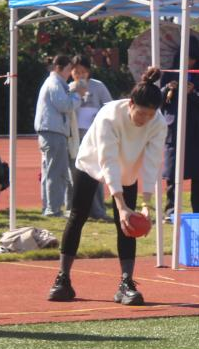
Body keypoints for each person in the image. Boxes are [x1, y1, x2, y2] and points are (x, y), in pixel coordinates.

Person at [47, 68, 167, 307]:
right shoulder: (109, 116)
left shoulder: (158, 123)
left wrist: (146, 204)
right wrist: (120, 205)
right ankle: (62, 279)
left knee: (127, 224)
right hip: (92, 161)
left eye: (150, 114)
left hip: (127, 168)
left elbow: (152, 163)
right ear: (131, 104)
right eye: (141, 113)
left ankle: (126, 283)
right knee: (78, 215)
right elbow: (107, 160)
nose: (145, 119)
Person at [163, 35, 199, 218]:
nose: (189, 61)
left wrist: (193, 92)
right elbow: (156, 100)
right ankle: (171, 211)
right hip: (174, 130)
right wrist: (168, 90)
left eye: (192, 58)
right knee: (172, 175)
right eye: (185, 57)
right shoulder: (168, 73)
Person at [34, 54, 81, 218]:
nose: (69, 73)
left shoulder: (55, 83)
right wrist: (77, 95)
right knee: (56, 172)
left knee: (49, 171)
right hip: (53, 132)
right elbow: (64, 105)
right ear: (59, 69)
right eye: (68, 69)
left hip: (50, 131)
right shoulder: (55, 83)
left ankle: (48, 207)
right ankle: (53, 209)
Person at [69, 55, 113, 220]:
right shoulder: (69, 87)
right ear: (71, 73)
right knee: (77, 172)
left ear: (89, 72)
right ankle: (78, 209)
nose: (80, 75)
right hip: (76, 136)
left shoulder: (98, 86)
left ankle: (98, 210)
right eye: (76, 72)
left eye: (83, 72)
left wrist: (99, 116)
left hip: (94, 135)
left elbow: (109, 106)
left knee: (96, 171)